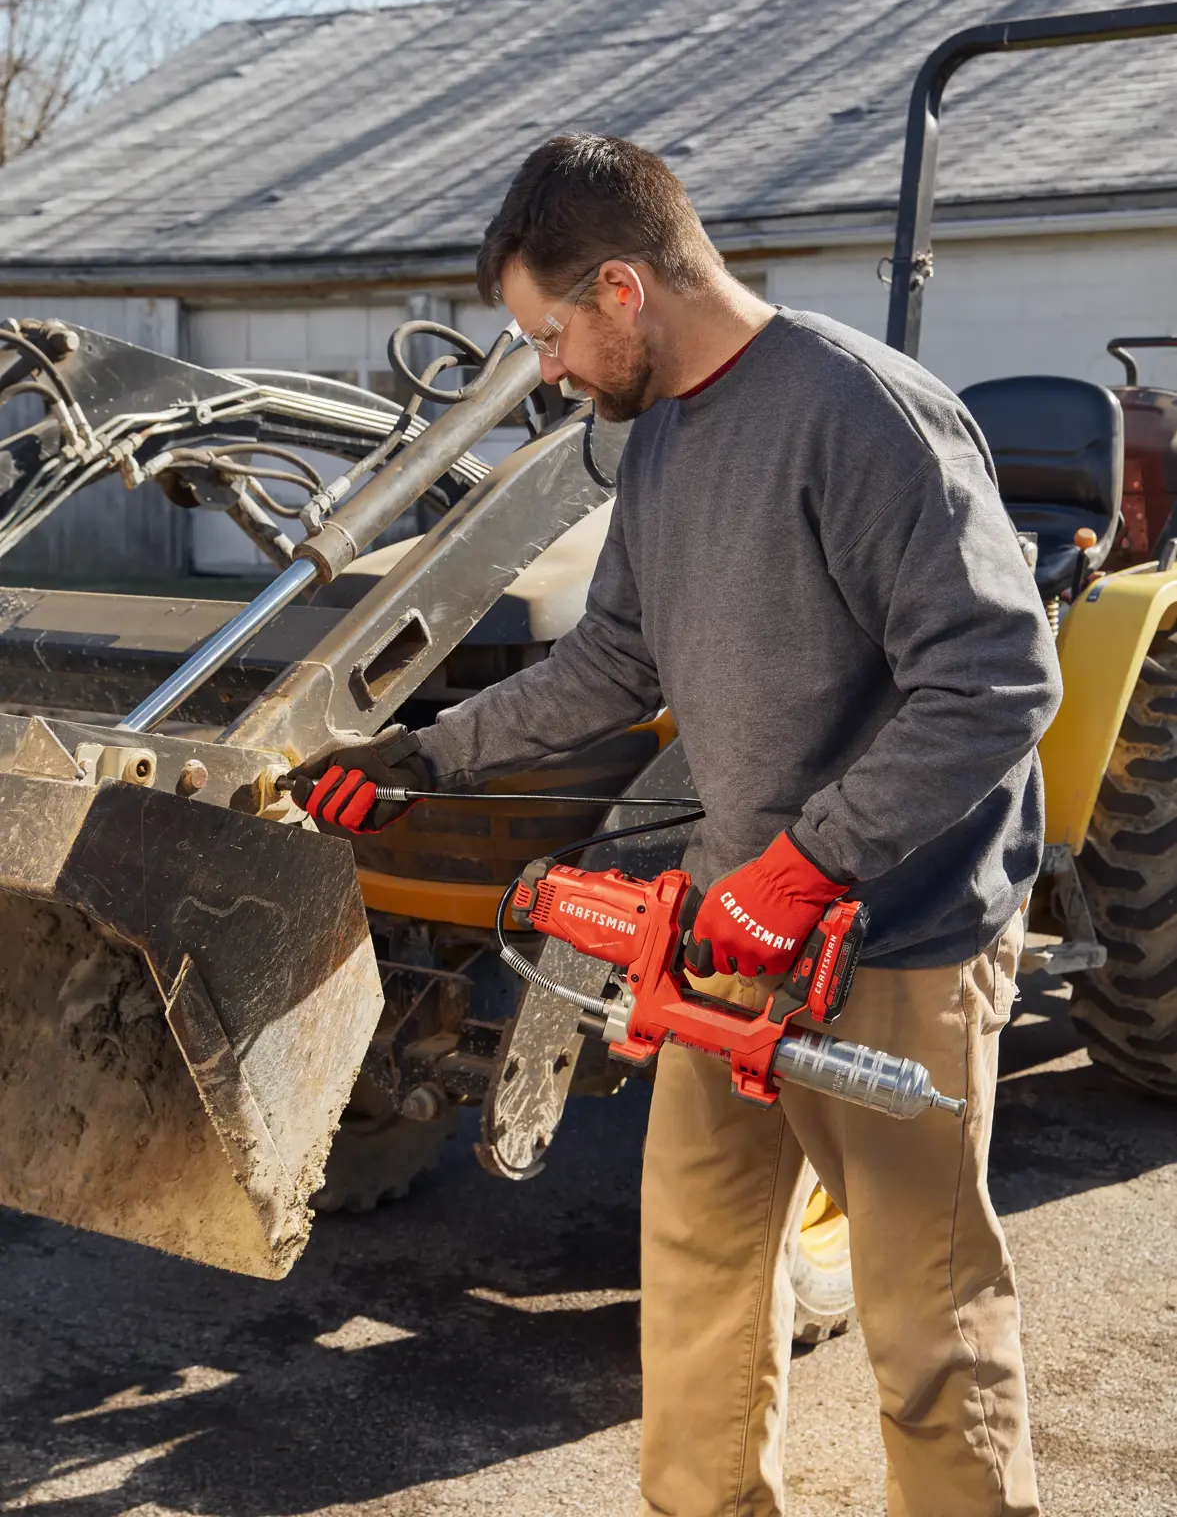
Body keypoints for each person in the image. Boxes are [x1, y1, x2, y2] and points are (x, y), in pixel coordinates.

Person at [295, 133, 1062, 1517]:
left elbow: (999, 677)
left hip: (900, 940)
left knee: (925, 1320)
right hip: (729, 929)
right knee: (699, 1279)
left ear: (621, 288)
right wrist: (425, 759)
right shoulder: (657, 448)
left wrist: (810, 863)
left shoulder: (861, 412)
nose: (550, 368)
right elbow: (613, 666)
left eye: (547, 334)